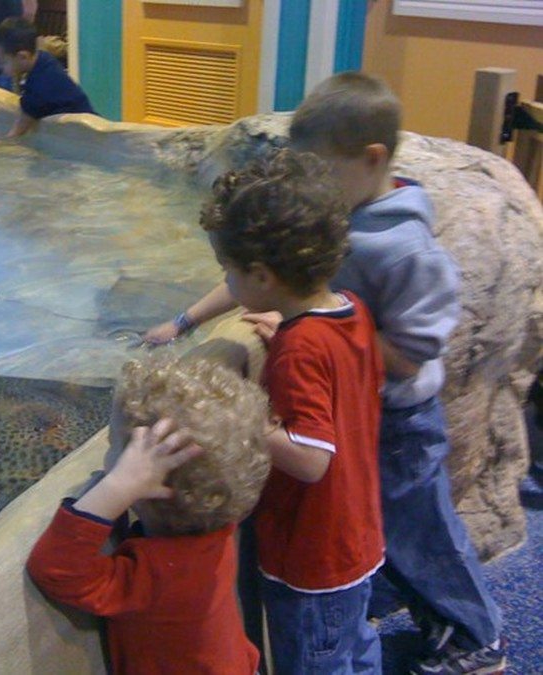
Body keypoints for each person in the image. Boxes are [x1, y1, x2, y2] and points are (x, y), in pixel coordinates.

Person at [145, 72, 506, 675]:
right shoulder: (328, 231)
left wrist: (301, 347)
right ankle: (400, 620)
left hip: (403, 417)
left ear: (371, 159)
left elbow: (412, 353)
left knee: (426, 535)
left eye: (320, 170)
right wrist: (188, 321)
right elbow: (256, 279)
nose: (312, 186)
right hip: (358, 410)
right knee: (372, 534)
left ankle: (478, 638)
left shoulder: (403, 248)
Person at [200, 147, 386, 673]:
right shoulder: (350, 311)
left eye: (228, 272)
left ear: (261, 276)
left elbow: (310, 459)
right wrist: (285, 333)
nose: (229, 286)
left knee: (316, 661)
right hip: (358, 535)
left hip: (314, 558)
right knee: (355, 646)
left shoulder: (301, 349)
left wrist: (242, 416)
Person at [26, 355, 270, 675]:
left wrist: (117, 488)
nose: (107, 453)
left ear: (143, 483)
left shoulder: (156, 577)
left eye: (113, 444)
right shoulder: (218, 527)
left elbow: (55, 568)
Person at [0, 17, 95, 137]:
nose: (0, 67)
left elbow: (21, 126)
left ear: (23, 57)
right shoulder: (43, 59)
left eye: (3, 62)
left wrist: (5, 142)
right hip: (81, 119)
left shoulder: (41, 84)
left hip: (83, 131)